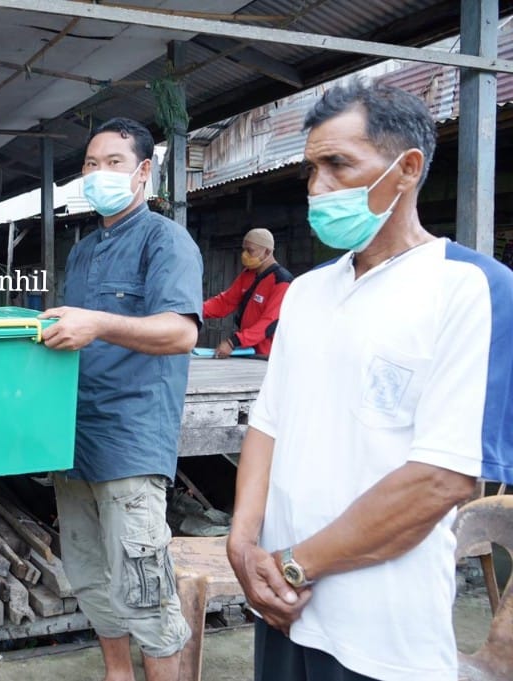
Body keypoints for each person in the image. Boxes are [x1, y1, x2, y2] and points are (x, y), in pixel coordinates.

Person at [227, 80, 513, 681]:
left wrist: (293, 566)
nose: (317, 187)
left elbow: (441, 478)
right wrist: (242, 543)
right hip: (283, 611)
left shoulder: (471, 290)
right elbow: (268, 424)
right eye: (311, 168)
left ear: (407, 168)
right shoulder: (306, 293)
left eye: (337, 164)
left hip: (380, 632)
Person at [40, 117, 203, 681]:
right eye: (90, 164)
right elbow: (74, 334)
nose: (99, 173)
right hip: (75, 439)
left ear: (141, 172)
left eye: (113, 162)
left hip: (130, 442)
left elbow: (182, 333)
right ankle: (118, 674)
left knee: (144, 588)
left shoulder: (165, 240)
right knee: (89, 576)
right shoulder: (84, 252)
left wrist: (99, 323)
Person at [202, 228, 292, 358]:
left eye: (250, 251)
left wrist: (233, 342)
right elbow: (225, 302)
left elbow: (269, 323)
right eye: (244, 250)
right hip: (247, 350)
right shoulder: (248, 274)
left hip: (268, 356)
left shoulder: (282, 281)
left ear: (267, 251)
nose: (244, 255)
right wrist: (193, 310)